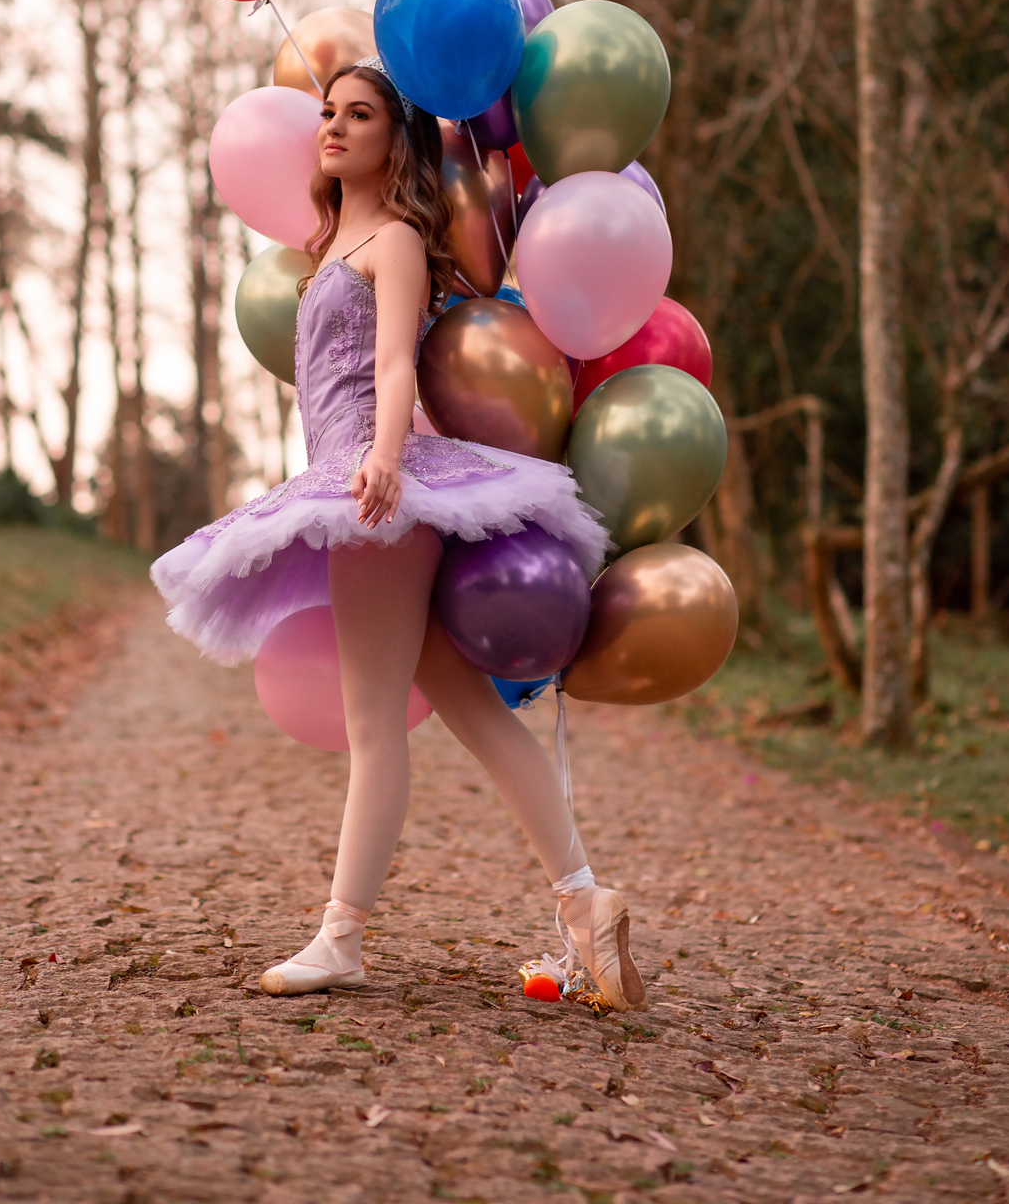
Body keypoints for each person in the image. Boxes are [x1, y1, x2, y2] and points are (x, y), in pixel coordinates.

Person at [151, 55, 647, 1010]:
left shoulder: (397, 242)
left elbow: (391, 369)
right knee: (469, 712)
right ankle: (587, 902)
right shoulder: (335, 242)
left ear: (396, 138)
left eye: (360, 114)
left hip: (375, 491)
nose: (332, 127)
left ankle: (342, 939)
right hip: (359, 483)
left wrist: (381, 456)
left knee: (375, 728)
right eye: (328, 113)